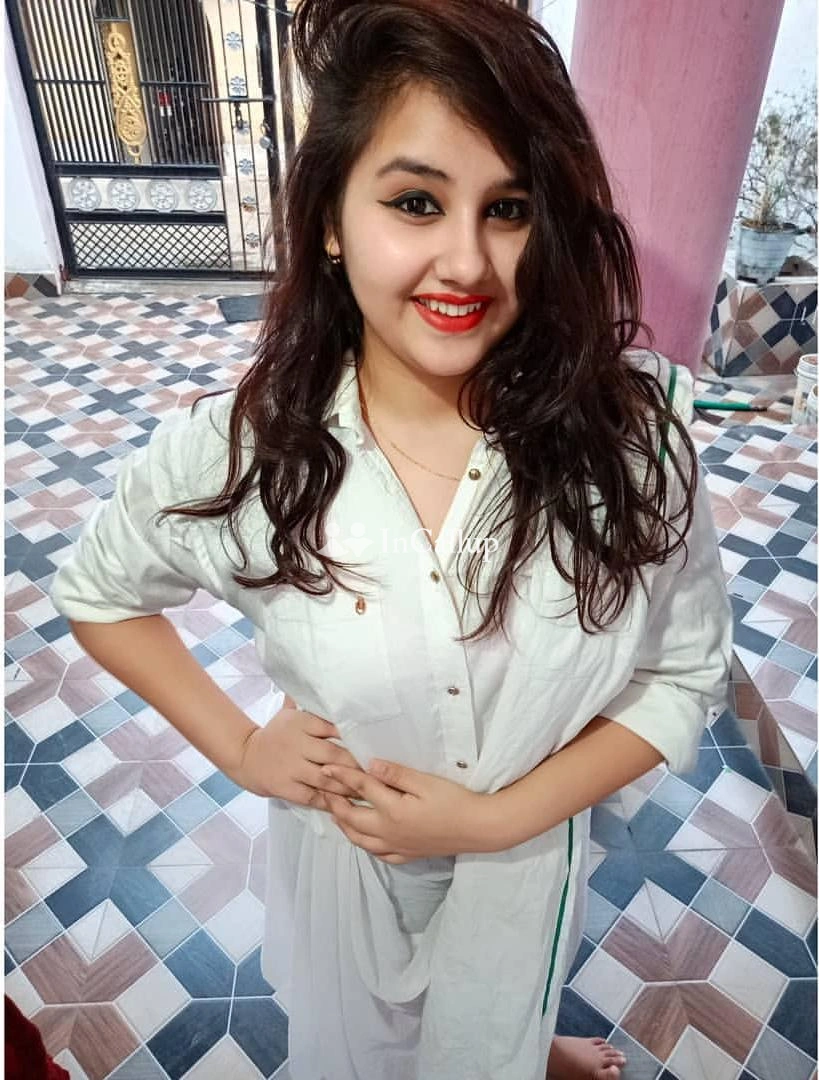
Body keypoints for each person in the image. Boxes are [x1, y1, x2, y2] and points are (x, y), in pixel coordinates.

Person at [50, 1, 733, 1078]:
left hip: (521, 868)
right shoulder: (246, 452)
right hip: (348, 880)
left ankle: (525, 1045)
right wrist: (241, 749)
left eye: (507, 209)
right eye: (416, 201)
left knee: (494, 1024)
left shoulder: (633, 441)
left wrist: (495, 820)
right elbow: (98, 593)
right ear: (331, 216)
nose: (467, 262)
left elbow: (684, 673)